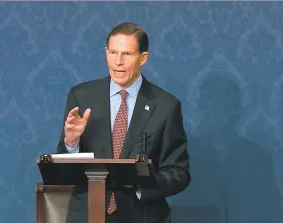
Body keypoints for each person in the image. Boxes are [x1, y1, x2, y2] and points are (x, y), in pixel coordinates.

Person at [57, 22, 191, 223]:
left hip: (141, 215)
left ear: (143, 58)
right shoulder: (81, 96)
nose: (117, 62)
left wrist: (140, 185)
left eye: (126, 54)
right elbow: (63, 170)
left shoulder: (166, 106)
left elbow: (179, 172)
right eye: (112, 52)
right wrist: (71, 143)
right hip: (87, 215)